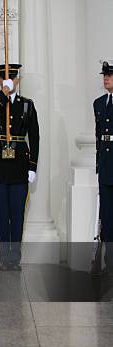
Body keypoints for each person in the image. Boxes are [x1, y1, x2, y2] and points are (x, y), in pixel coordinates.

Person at [0, 64, 39, 271]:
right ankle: (4, 257)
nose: (9, 81)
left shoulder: (27, 105)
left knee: (16, 213)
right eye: (5, 79)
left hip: (19, 165)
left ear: (18, 80)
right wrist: (4, 93)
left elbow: (35, 137)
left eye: (13, 79)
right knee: (0, 212)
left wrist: (33, 166)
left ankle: (14, 258)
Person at [94, 60, 113, 275]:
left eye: (109, 75)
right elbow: (99, 136)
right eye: (104, 75)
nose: (106, 78)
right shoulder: (99, 103)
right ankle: (109, 263)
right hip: (106, 167)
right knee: (107, 218)